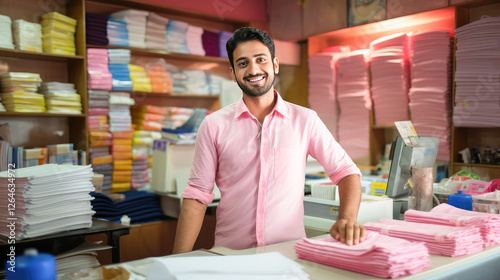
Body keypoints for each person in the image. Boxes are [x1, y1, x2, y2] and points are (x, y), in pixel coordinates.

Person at [173, 27, 365, 253]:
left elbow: (346, 172)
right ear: (233, 73)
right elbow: (197, 197)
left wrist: (347, 218)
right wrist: (176, 261)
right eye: (243, 63)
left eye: (260, 60)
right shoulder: (214, 125)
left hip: (288, 254)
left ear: (275, 65)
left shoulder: (305, 120)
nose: (253, 69)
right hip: (231, 256)